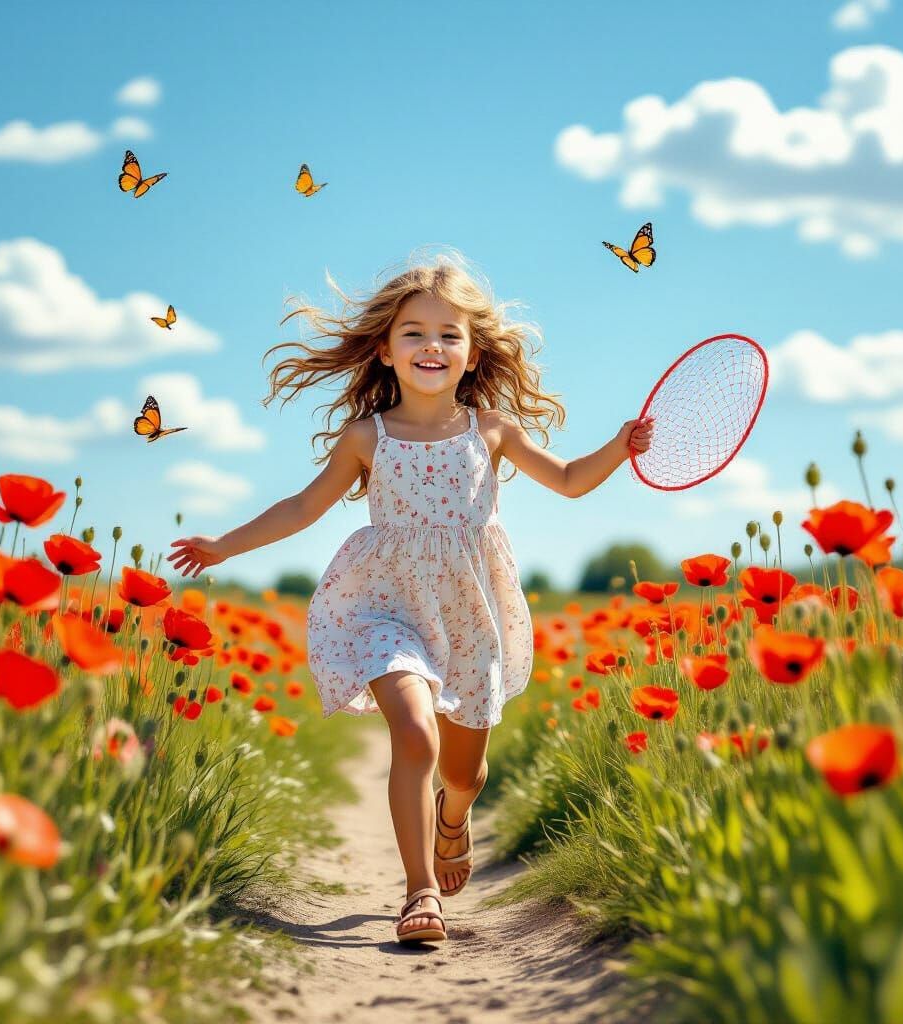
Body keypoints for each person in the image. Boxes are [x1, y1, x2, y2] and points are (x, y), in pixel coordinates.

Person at [168, 250, 654, 945]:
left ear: (473, 352)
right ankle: (419, 892)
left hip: (469, 610)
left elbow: (573, 479)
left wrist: (619, 446)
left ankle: (451, 817)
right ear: (387, 351)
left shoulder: (492, 431)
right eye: (414, 333)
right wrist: (224, 547)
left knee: (466, 771)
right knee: (415, 732)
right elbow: (303, 507)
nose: (432, 346)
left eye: (449, 334)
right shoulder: (367, 437)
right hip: (383, 604)